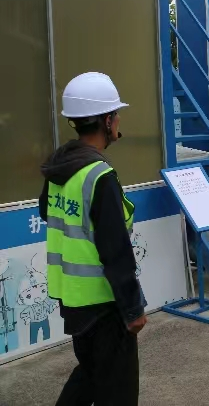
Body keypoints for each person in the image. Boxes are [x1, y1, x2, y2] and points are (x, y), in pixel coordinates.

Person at [41, 72, 146, 405]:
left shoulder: (60, 168)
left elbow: (47, 211)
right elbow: (115, 251)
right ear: (106, 120)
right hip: (104, 306)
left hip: (73, 302)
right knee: (118, 390)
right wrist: (133, 310)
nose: (119, 121)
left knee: (90, 373)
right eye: (116, 114)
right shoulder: (99, 175)